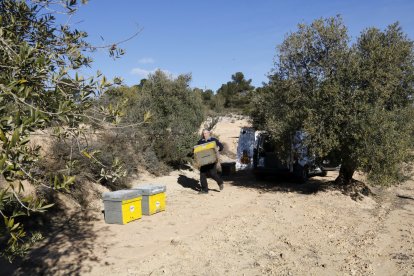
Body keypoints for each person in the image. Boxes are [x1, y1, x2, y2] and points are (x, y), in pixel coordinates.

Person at [196, 129, 224, 194]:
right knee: (202, 175)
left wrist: (218, 148)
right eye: (203, 133)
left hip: (212, 160)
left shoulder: (213, 140)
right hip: (203, 161)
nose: (204, 135)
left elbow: (221, 146)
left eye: (205, 133)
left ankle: (220, 182)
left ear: (209, 133)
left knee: (212, 173)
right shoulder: (200, 141)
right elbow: (196, 149)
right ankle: (205, 190)